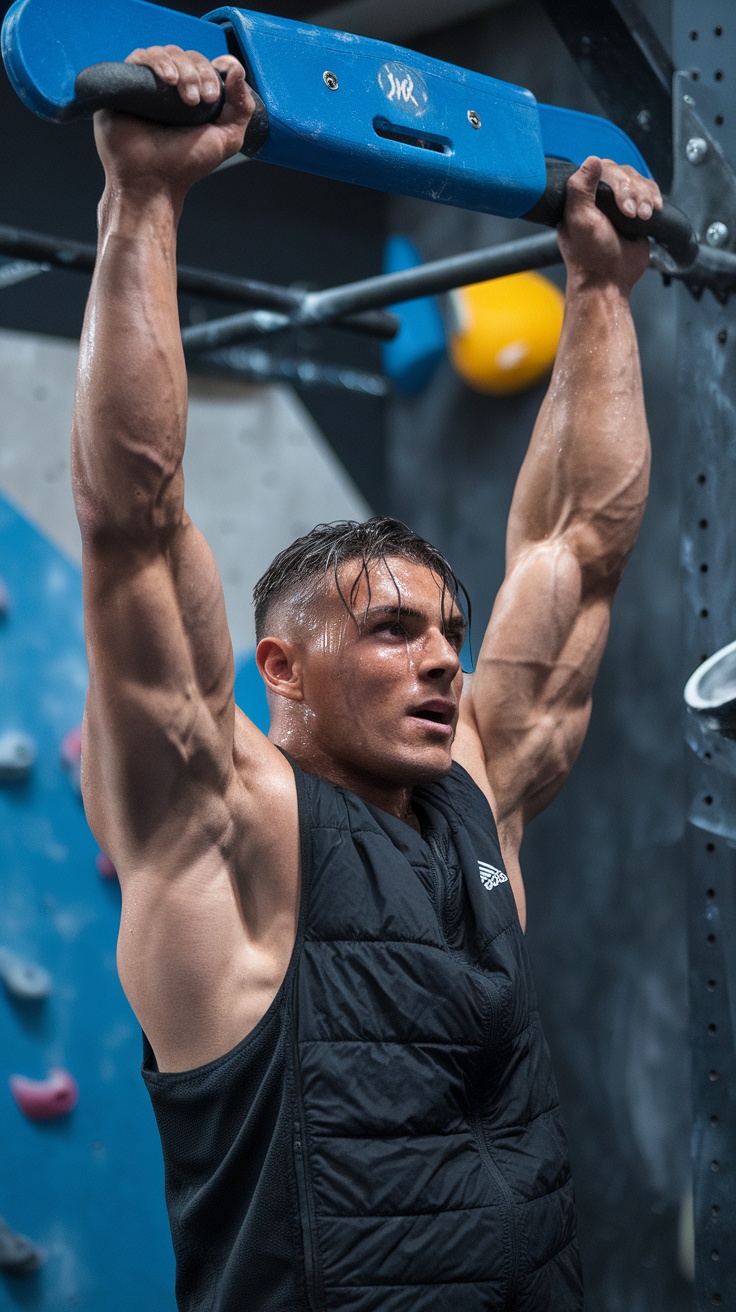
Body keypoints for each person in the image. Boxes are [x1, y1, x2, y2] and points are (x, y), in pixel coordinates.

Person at [71, 43, 661, 1312]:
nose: (445, 653)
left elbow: (576, 546)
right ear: (279, 664)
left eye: (446, 629)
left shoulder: (475, 796)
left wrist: (600, 289)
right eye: (391, 630)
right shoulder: (223, 829)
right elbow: (136, 523)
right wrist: (146, 202)